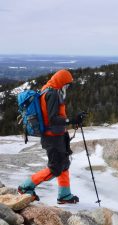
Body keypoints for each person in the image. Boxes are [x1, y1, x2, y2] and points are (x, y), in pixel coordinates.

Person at [18, 69, 82, 204]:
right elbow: (53, 119)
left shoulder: (48, 90)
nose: (68, 87)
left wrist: (69, 122)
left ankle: (64, 195)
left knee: (64, 163)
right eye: (67, 84)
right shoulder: (52, 94)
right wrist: (70, 121)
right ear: (62, 82)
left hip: (57, 135)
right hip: (52, 137)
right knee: (55, 168)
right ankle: (25, 186)